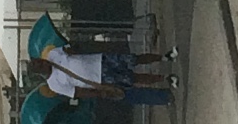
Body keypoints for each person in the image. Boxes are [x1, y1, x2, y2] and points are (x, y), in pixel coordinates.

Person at [30, 42, 173, 105]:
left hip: (100, 60)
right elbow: (77, 92)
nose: (44, 62)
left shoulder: (53, 54)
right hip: (99, 78)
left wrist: (70, 50)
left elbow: (73, 49)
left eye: (40, 60)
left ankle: (163, 57)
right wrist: (99, 93)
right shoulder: (54, 84)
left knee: (134, 59)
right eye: (40, 65)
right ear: (40, 72)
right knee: (133, 78)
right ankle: (164, 78)